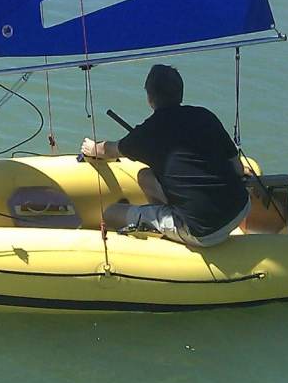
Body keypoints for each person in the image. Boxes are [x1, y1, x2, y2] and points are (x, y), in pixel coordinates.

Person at [80, 64, 250, 247]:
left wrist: (92, 148)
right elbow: (238, 168)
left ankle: (167, 232)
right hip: (240, 208)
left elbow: (109, 150)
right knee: (145, 176)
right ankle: (165, 218)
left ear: (150, 98)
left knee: (110, 214)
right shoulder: (205, 116)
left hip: (202, 231)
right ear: (181, 93)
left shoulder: (147, 133)